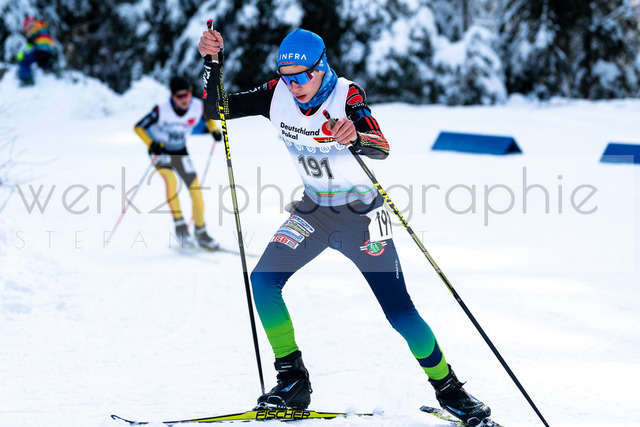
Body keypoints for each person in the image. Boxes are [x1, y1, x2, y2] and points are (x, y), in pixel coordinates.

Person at [198, 29, 491, 425]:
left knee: (399, 311)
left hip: (363, 218)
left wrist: (357, 135)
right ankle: (293, 379)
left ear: (321, 68)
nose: (294, 86)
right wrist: (212, 64)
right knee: (263, 281)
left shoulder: (346, 95)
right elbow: (217, 110)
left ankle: (450, 390)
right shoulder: (276, 94)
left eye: (302, 76)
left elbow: (381, 147)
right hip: (313, 213)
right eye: (287, 77)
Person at [134, 76, 222, 251]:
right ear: (173, 97)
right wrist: (151, 144)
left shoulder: (198, 106)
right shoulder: (161, 110)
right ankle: (181, 227)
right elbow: (138, 127)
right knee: (171, 181)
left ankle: (201, 232)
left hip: (180, 151)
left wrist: (213, 130)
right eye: (179, 96)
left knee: (196, 191)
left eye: (186, 94)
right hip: (161, 151)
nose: (184, 99)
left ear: (190, 92)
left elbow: (209, 119)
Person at [16, 17, 59, 86]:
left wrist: (22, 54)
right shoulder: (46, 30)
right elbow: (53, 45)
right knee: (44, 64)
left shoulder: (35, 26)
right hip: (49, 54)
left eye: (26, 30)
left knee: (24, 61)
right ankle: (52, 71)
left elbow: (29, 43)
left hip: (39, 53)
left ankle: (26, 79)